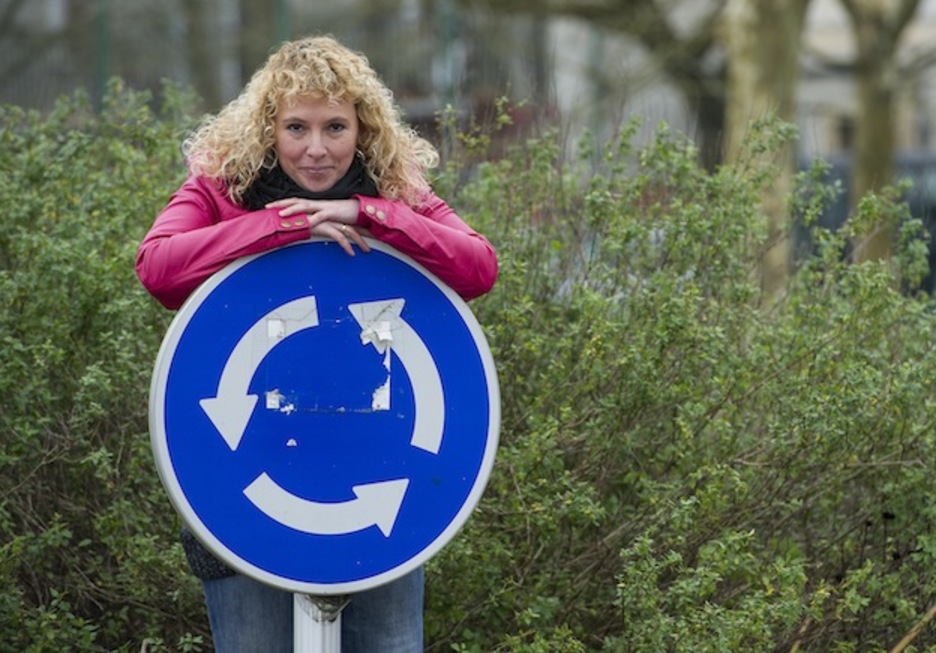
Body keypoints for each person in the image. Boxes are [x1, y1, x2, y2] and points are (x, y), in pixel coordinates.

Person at [135, 34, 498, 652]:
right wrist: (286, 223)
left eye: (335, 127)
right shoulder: (223, 188)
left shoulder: (393, 189)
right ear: (268, 128)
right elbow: (158, 267)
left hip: (379, 487)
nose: (316, 148)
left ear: (362, 128)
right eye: (296, 127)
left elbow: (478, 266)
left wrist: (369, 214)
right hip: (242, 494)